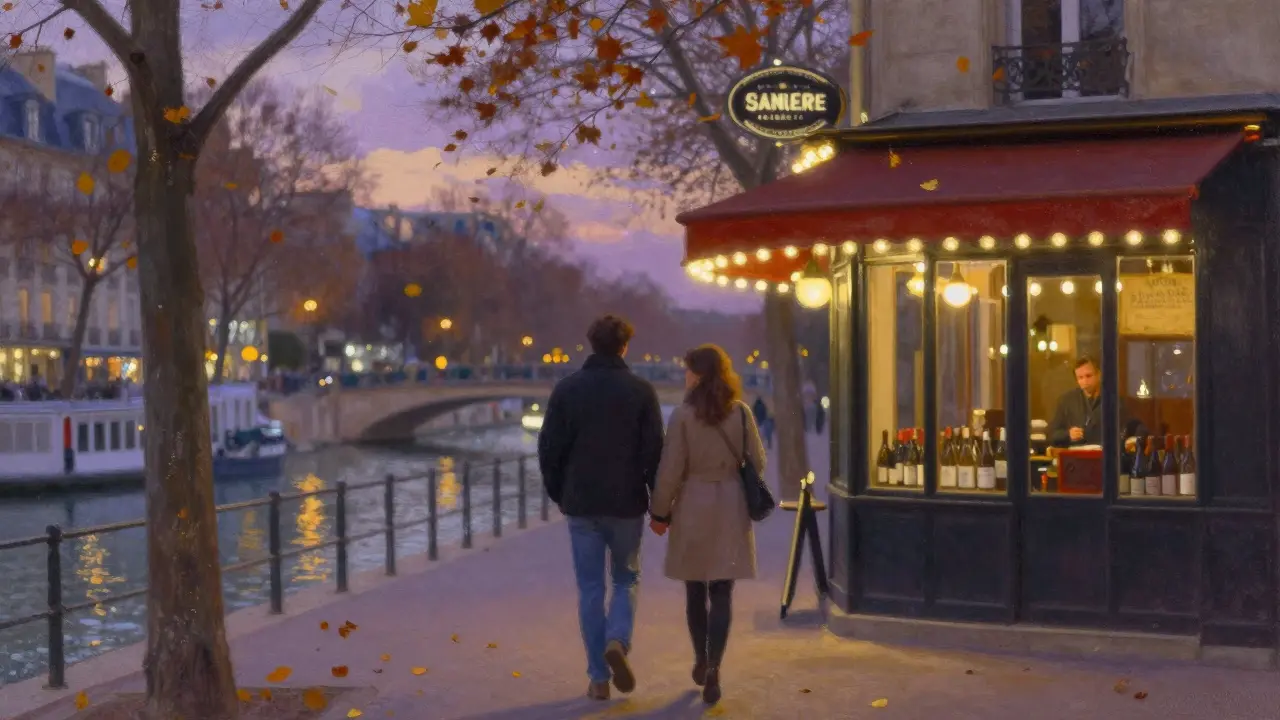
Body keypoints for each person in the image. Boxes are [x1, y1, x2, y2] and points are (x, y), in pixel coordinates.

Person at [537, 314, 665, 701]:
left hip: (582, 502)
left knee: (590, 588)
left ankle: (597, 677)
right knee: (626, 579)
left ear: (592, 344)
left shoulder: (567, 389)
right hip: (626, 503)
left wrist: (560, 493)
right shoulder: (642, 391)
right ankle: (618, 640)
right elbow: (654, 454)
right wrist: (659, 504)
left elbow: (549, 449)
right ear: (625, 346)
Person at [649, 344, 765, 706]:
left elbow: (670, 469)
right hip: (730, 503)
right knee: (722, 590)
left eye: (688, 370)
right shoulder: (742, 413)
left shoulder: (683, 415)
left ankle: (700, 657)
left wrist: (660, 512)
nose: (685, 376)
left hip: (693, 504)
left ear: (696, 375)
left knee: (695, 589)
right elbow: (757, 462)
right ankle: (715, 666)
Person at [1048, 355, 1145, 448]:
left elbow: (1134, 428)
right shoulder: (1066, 401)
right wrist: (1068, 435)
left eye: (1088, 376)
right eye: (1080, 378)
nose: (1085, 381)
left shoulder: (1114, 401)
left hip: (1105, 457)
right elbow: (1052, 435)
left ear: (1099, 375)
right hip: (1075, 457)